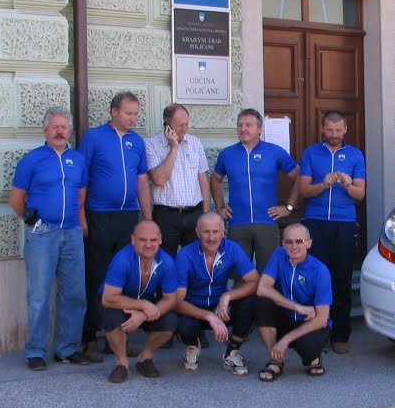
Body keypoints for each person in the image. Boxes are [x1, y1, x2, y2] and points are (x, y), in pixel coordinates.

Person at [8, 107, 89, 370]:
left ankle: (67, 348)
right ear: (45, 130)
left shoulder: (78, 160)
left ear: (70, 131)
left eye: (64, 127)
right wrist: (32, 220)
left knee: (74, 293)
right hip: (43, 233)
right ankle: (36, 351)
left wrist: (80, 224)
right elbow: (16, 199)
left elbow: (80, 195)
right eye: (54, 127)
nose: (59, 131)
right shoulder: (32, 160)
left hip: (72, 231)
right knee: (40, 294)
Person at [79, 92, 153, 352]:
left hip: (128, 217)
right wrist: (81, 216)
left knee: (124, 278)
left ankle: (117, 338)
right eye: (129, 113)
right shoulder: (93, 138)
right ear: (114, 112)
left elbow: (142, 181)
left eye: (136, 113)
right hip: (98, 215)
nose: (134, 118)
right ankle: (90, 336)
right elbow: (82, 179)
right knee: (96, 277)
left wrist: (148, 218)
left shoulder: (137, 141)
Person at [298, 111, 366, 354]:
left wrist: (348, 185)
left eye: (338, 130)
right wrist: (323, 184)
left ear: (345, 129)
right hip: (316, 222)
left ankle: (340, 335)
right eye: (329, 130)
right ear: (322, 129)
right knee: (316, 278)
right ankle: (316, 332)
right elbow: (304, 190)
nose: (334, 134)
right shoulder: (311, 153)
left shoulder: (355, 155)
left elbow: (361, 195)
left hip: (344, 223)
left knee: (341, 279)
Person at [211, 108, 300, 271]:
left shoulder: (275, 152)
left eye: (248, 125)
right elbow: (215, 179)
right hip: (238, 223)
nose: (243, 129)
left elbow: (299, 177)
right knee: (239, 273)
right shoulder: (227, 154)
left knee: (268, 273)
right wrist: (220, 208)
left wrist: (289, 207)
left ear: (260, 129)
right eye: (240, 125)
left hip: (267, 222)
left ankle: (266, 298)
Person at [174, 212, 259, 376]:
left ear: (223, 232)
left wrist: (227, 296)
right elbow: (177, 301)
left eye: (216, 231)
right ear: (198, 233)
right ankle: (192, 346)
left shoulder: (232, 248)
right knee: (180, 322)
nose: (211, 237)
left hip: (220, 306)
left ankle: (232, 353)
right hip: (193, 308)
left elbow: (255, 281)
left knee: (250, 301)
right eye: (206, 232)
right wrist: (208, 316)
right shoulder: (185, 254)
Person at [99, 220, 178, 384]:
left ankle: (145, 357)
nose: (148, 245)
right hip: (118, 302)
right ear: (133, 240)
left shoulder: (167, 262)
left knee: (170, 321)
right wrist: (142, 305)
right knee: (111, 318)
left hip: (145, 303)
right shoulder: (122, 259)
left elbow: (171, 299)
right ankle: (122, 363)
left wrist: (142, 315)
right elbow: (108, 298)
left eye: (153, 240)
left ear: (160, 240)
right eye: (142, 240)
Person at [255, 222, 331, 381]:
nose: (293, 246)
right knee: (263, 302)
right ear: (283, 243)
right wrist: (296, 306)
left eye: (299, 241)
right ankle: (276, 359)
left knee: (308, 347)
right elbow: (262, 288)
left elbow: (322, 319)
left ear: (309, 243)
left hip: (310, 322)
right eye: (289, 241)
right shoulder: (278, 254)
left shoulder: (320, 271)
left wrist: (285, 340)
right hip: (287, 315)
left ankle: (313, 359)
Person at [145, 103, 211, 255]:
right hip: (166, 216)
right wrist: (173, 148)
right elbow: (159, 180)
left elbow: (203, 179)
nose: (184, 128)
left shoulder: (195, 143)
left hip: (194, 213)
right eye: (179, 125)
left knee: (195, 261)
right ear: (167, 124)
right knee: (165, 261)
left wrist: (206, 213)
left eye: (186, 124)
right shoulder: (152, 145)